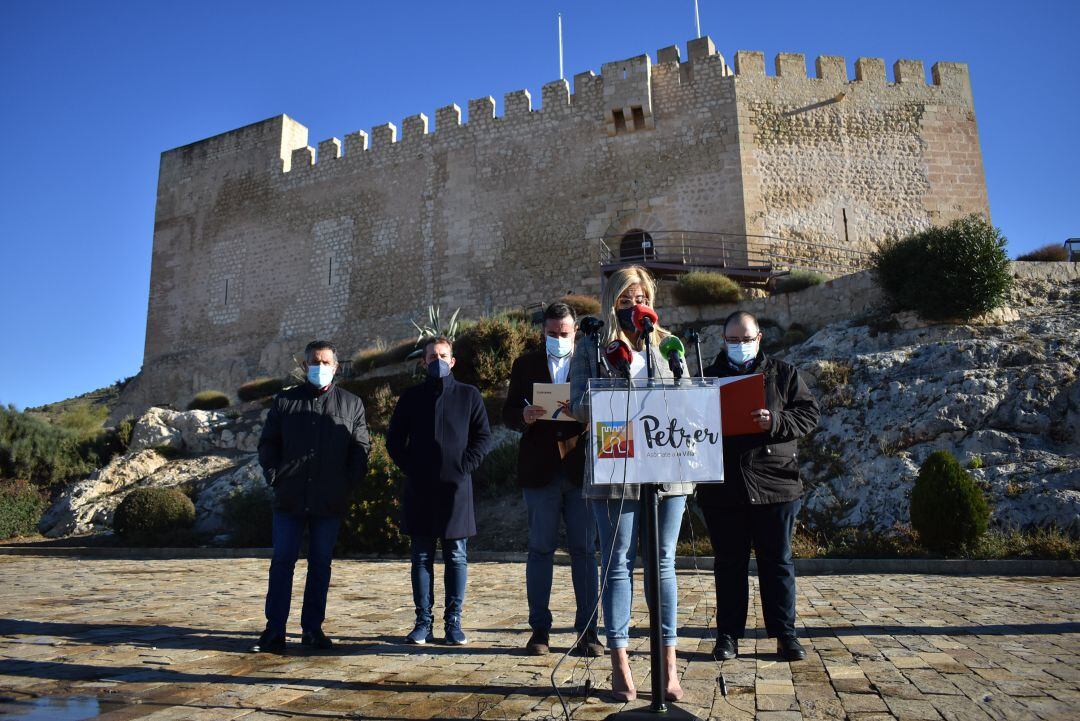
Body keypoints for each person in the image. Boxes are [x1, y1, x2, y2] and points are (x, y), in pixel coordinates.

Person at [567, 266, 691, 703]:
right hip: (614, 466)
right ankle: (620, 664)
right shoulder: (592, 345)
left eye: (640, 297)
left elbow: (687, 395)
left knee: (663, 564)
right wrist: (615, 379)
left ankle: (668, 667)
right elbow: (580, 405)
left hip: (665, 467)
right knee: (616, 564)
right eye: (625, 298)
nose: (633, 305)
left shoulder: (668, 342)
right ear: (612, 302)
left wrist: (659, 361)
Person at [696, 311, 820, 662]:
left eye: (745, 339)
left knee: (777, 562)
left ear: (759, 337)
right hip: (724, 487)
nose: (739, 346)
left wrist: (775, 420)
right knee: (729, 564)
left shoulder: (783, 373)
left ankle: (785, 635)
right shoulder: (706, 378)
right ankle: (728, 636)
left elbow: (810, 414)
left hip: (775, 483)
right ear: (723, 341)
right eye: (732, 340)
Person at [253, 340, 370, 653]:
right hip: (290, 496)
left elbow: (360, 449)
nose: (320, 367)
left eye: (326, 362)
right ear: (304, 367)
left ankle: (312, 629)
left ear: (336, 366)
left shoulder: (351, 404)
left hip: (329, 499)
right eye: (314, 362)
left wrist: (347, 483)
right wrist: (274, 475)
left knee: (321, 564)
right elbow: (268, 444)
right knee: (282, 562)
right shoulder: (285, 401)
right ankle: (274, 629)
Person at [502, 302, 602, 657]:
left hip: (581, 469)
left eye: (564, 333)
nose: (558, 339)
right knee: (540, 551)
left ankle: (588, 632)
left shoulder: (591, 362)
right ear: (541, 332)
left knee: (585, 553)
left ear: (575, 331)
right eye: (552, 333)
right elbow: (508, 411)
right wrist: (524, 416)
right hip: (540, 471)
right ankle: (539, 631)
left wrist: (588, 415)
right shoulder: (525, 364)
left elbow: (607, 405)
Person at [387, 335, 493, 646]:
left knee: (456, 557)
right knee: (420, 557)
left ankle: (453, 623)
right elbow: (394, 440)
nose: (438, 361)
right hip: (420, 489)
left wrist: (465, 465)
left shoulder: (469, 395)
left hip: (456, 488)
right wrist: (412, 467)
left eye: (443, 356)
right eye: (432, 357)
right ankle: (422, 622)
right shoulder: (411, 397)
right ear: (423, 362)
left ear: (453, 360)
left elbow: (483, 436)